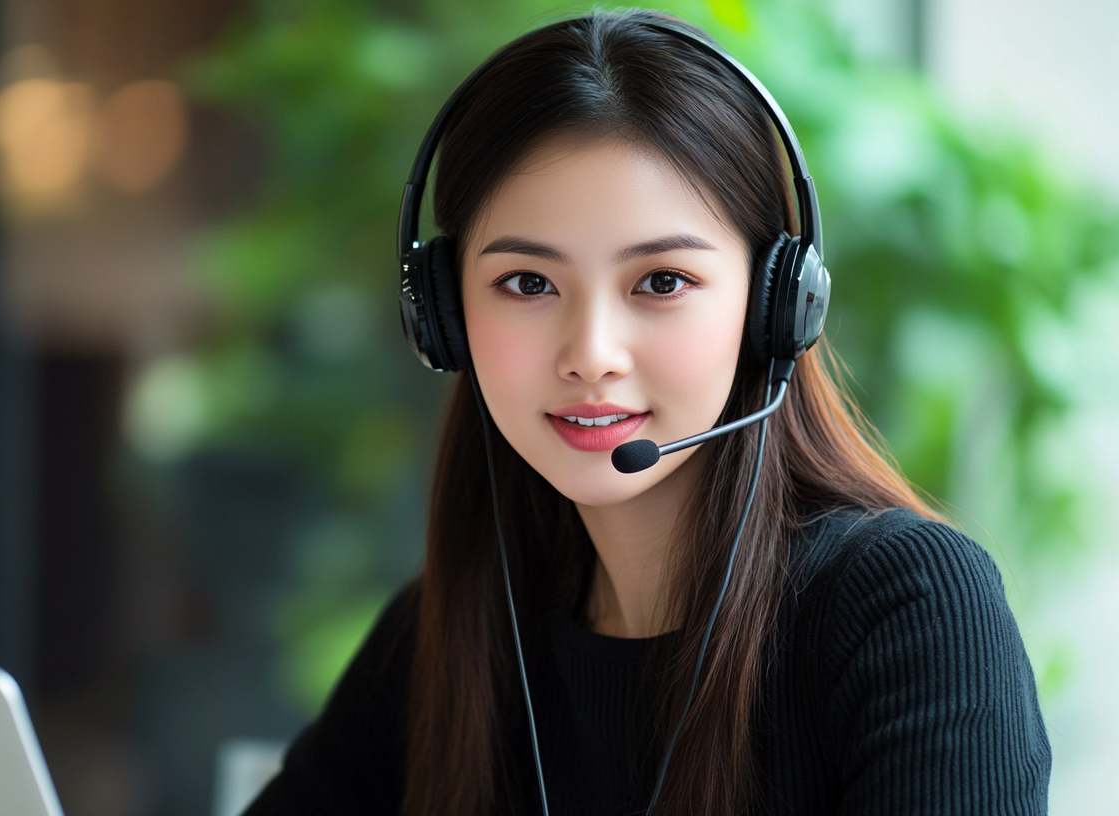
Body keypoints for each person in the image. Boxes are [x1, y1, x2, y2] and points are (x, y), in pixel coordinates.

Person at [247, 9, 1050, 816]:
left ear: (776, 305)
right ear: (444, 317)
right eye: (528, 283)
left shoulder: (906, 609)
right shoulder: (444, 638)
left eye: (661, 281)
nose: (591, 353)